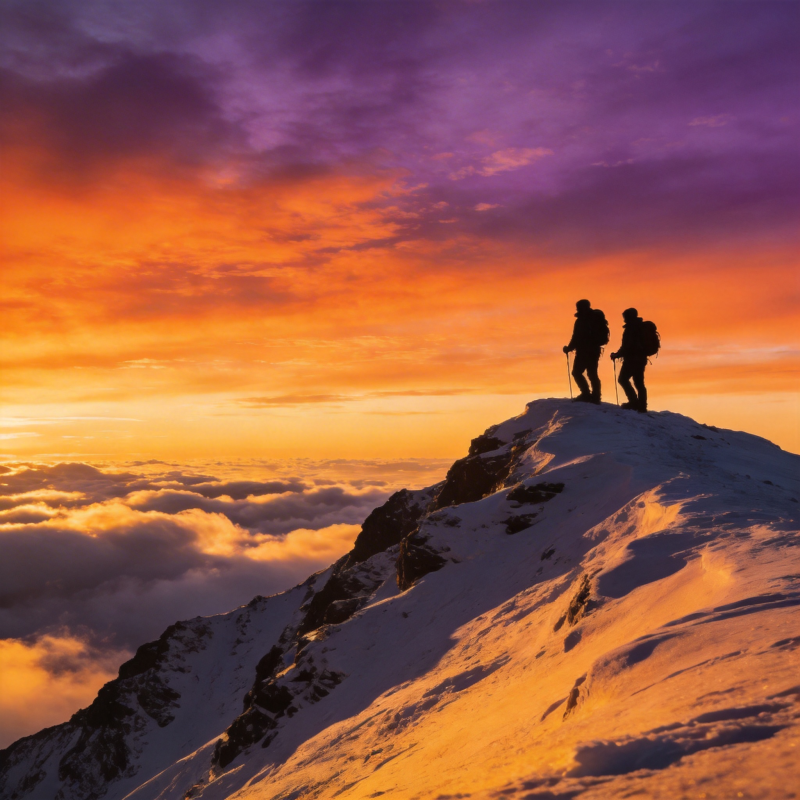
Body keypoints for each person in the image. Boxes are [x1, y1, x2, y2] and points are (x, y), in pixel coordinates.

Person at [563, 299, 607, 404]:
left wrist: (569, 348)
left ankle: (586, 394)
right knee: (592, 374)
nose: (577, 308)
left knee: (577, 372)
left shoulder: (582, 320)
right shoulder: (595, 318)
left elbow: (576, 336)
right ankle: (595, 397)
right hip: (594, 350)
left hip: (584, 351)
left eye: (578, 306)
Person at [610, 307, 648, 412]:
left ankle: (634, 402)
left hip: (632, 360)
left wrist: (617, 355)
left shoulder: (631, 329)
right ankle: (642, 405)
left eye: (625, 317)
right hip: (641, 359)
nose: (624, 319)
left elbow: (627, 346)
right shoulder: (640, 327)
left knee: (622, 379)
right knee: (639, 383)